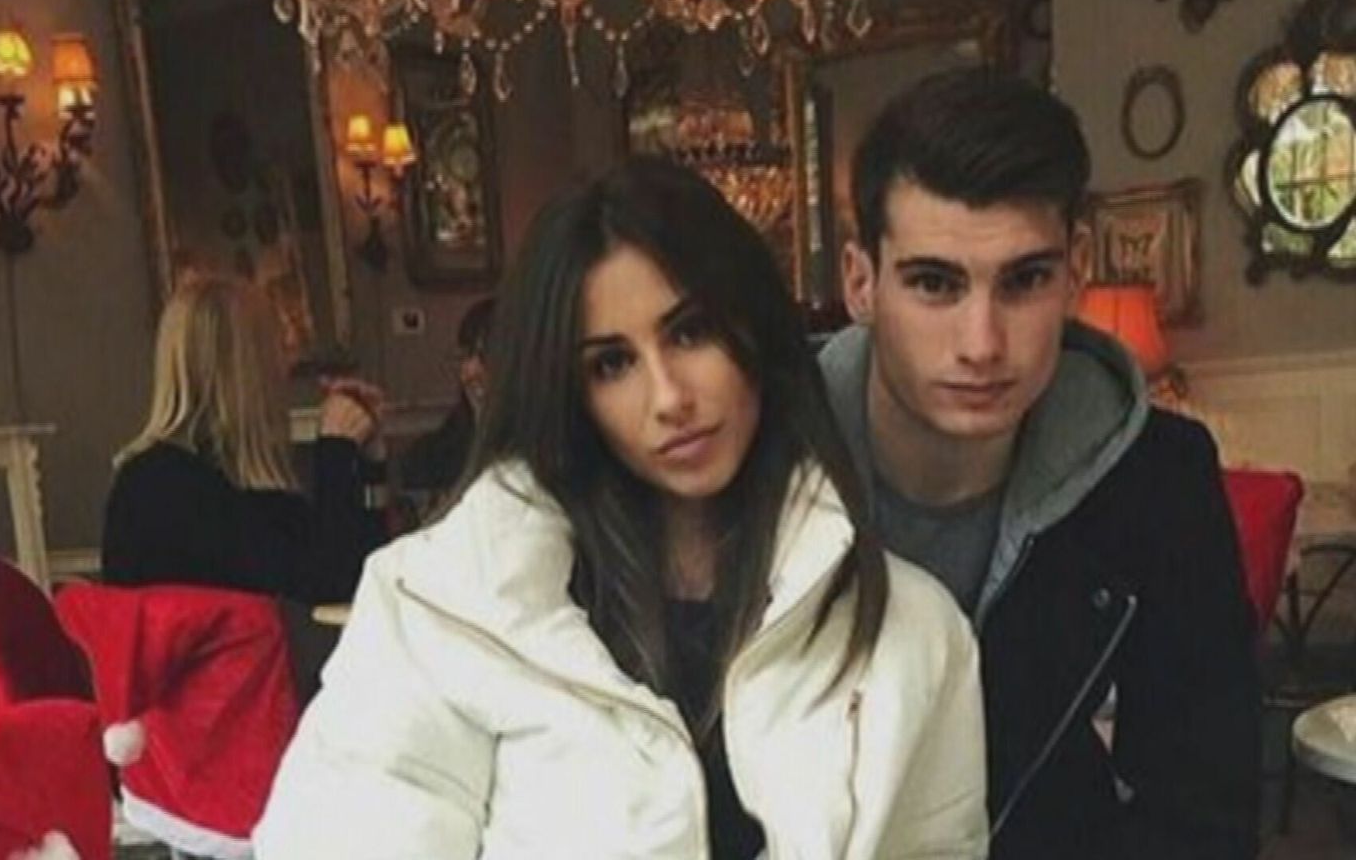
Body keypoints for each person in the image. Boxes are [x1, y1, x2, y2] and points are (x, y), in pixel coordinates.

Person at [253, 159, 987, 859]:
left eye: (690, 331)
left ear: (755, 329)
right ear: (569, 393)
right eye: (612, 364)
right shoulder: (447, 604)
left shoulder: (911, 633)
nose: (669, 398)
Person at [818, 68, 1259, 860]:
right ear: (860, 282)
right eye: (934, 283)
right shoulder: (766, 461)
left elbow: (1205, 813)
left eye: (1024, 280)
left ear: (1076, 270)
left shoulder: (1159, 478)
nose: (982, 343)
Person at [102, 275, 389, 605]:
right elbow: (326, 584)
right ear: (248, 367)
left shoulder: (233, 481)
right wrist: (336, 452)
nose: (287, 366)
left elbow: (364, 574)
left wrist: (369, 462)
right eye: (278, 346)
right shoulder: (167, 488)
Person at [397, 295, 494, 503]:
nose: (469, 373)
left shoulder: (551, 461)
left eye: (486, 356)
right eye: (465, 356)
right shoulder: (429, 459)